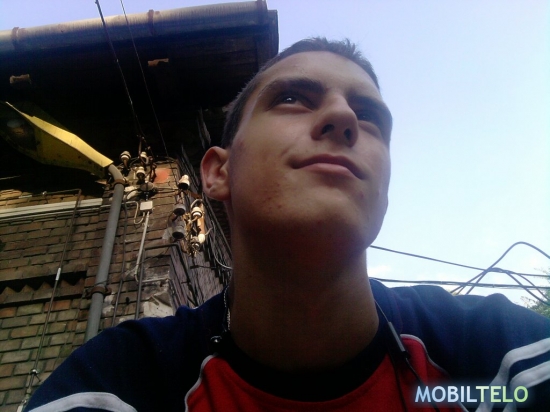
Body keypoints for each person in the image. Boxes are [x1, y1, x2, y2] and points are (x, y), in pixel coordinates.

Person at [26, 38, 549, 412]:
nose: (345, 118)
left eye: (369, 116)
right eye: (293, 98)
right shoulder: (124, 382)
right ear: (218, 172)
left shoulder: (496, 357)